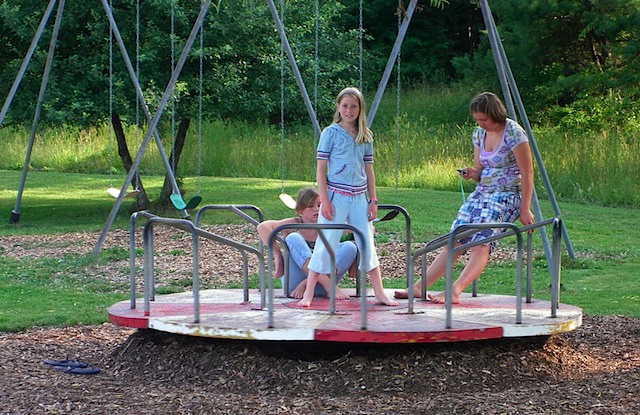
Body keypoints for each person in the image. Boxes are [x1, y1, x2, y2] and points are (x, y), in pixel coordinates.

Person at [394, 91, 534, 304]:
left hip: (506, 196)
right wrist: (472, 173)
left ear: (494, 114)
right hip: (482, 193)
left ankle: (456, 289)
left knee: (481, 241)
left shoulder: (513, 133)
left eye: (483, 119)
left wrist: (525, 208)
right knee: (455, 237)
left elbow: (528, 172)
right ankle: (418, 287)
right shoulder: (479, 134)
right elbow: (480, 169)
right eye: (477, 120)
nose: (481, 124)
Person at [297, 87, 398, 307]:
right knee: (326, 241)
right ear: (338, 107)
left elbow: (369, 170)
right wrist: (323, 200)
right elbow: (321, 169)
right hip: (336, 196)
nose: (349, 110)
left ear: (360, 108)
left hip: (359, 197)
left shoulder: (365, 135)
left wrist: (373, 200)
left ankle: (379, 291)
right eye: (345, 106)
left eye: (354, 106)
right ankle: (309, 292)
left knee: (366, 241)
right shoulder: (330, 133)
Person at [257, 187, 357, 299]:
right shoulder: (294, 224)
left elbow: (365, 230)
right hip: (294, 287)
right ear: (300, 210)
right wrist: (277, 255)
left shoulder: (327, 223)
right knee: (293, 237)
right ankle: (328, 286)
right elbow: (262, 227)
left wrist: (357, 256)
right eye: (310, 206)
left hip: (318, 288)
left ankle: (308, 284)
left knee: (349, 247)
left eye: (319, 205)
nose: (316, 210)